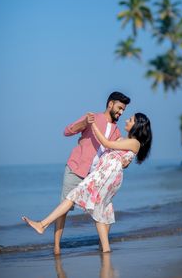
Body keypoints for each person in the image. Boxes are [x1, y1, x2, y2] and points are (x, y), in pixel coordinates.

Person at [22, 112, 152, 253]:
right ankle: (106, 249)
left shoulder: (135, 142)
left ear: (137, 125)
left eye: (131, 119)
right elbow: (116, 152)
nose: (126, 120)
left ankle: (42, 224)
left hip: (104, 176)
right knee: (101, 210)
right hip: (106, 175)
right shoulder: (124, 139)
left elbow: (107, 143)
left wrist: (93, 125)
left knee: (74, 197)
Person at [54, 91, 130, 255]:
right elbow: (67, 131)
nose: (121, 112)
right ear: (110, 104)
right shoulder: (92, 117)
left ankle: (102, 245)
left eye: (123, 110)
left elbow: (119, 154)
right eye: (119, 108)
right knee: (64, 208)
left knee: (105, 210)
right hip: (76, 169)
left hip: (95, 177)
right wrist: (83, 124)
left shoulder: (116, 132)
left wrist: (126, 162)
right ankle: (57, 248)